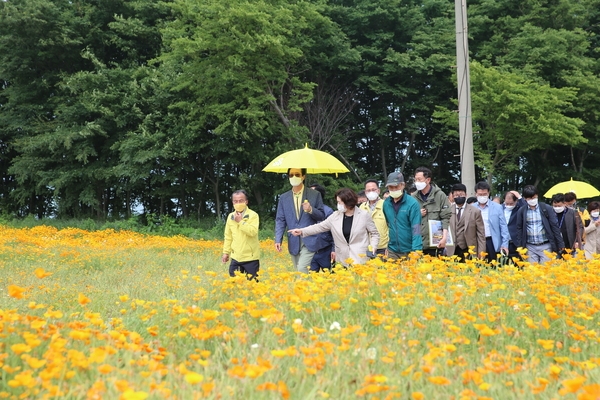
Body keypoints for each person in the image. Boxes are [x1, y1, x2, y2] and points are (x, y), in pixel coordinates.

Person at [289, 188, 379, 267]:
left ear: (348, 202)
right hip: (342, 259)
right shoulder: (335, 216)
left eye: (340, 202)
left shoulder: (364, 215)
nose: (338, 204)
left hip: (360, 258)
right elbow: (320, 227)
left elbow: (374, 233)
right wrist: (302, 231)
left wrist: (373, 247)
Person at [275, 168, 326, 273]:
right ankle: (304, 289)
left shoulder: (314, 194)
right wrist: (278, 239)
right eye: (291, 175)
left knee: (302, 268)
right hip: (293, 239)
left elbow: (321, 216)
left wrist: (310, 210)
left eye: (297, 174)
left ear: (303, 176)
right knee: (299, 271)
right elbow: (280, 219)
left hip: (309, 238)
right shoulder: (284, 197)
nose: (294, 177)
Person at [515, 185, 564, 264]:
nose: (532, 200)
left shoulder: (546, 208)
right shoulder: (522, 211)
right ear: (525, 198)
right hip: (530, 246)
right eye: (530, 198)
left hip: (546, 245)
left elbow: (554, 226)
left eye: (534, 197)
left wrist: (560, 243)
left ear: (537, 196)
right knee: (532, 272)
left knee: (545, 271)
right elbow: (519, 229)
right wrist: (520, 247)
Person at [411, 167, 451, 257]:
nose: (417, 182)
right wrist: (417, 214)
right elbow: (406, 219)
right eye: (415, 179)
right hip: (417, 245)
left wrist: (445, 238)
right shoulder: (413, 197)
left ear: (428, 180)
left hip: (435, 245)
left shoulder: (440, 195)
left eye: (419, 179)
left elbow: (446, 218)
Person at [383, 171, 423, 258]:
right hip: (392, 250)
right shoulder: (386, 203)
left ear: (403, 185)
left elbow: (416, 229)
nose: (393, 189)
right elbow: (389, 225)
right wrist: (387, 246)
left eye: (396, 186)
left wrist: (416, 250)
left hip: (409, 250)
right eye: (390, 187)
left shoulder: (412, 204)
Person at [222, 190, 260, 280]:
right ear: (232, 202)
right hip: (236, 258)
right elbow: (228, 237)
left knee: (253, 285)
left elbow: (252, 232)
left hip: (250, 258)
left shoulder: (253, 215)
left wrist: (240, 222)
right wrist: (226, 252)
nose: (238, 203)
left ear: (246, 201)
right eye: (236, 201)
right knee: (234, 284)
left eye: (241, 201)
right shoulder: (230, 217)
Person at [446, 183, 485, 261]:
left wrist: (481, 252)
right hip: (451, 250)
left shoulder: (475, 211)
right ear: (452, 196)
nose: (459, 197)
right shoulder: (447, 211)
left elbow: (481, 234)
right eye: (456, 195)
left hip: (469, 248)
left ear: (466, 195)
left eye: (461, 194)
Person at [473, 181, 510, 263]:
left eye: (484, 194)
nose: (482, 196)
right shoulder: (472, 208)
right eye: (480, 194)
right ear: (476, 194)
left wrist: (504, 245)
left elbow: (503, 227)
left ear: (488, 193)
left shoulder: (497, 207)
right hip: (477, 241)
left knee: (494, 266)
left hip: (492, 241)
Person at [308, 183, 335, 272]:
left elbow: (335, 233)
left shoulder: (328, 211)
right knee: (310, 281)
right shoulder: (304, 211)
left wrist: (334, 250)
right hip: (310, 252)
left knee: (329, 279)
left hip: (325, 251)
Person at [359, 179, 389, 256]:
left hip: (383, 248)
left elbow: (392, 226)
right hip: (366, 248)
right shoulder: (362, 207)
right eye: (368, 190)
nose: (371, 192)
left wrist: (389, 246)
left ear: (378, 191)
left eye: (373, 189)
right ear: (365, 192)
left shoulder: (386, 205)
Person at [503, 190, 527, 260]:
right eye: (507, 203)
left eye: (511, 204)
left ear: (516, 201)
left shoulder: (519, 208)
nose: (509, 205)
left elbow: (526, 208)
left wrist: (520, 197)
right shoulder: (500, 208)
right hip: (504, 242)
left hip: (515, 242)